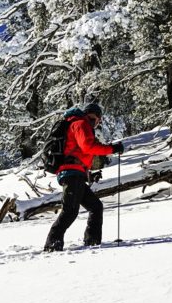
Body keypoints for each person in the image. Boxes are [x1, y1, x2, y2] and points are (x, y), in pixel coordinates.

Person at [44, 103, 124, 252]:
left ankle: (92, 241)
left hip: (75, 173)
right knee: (70, 210)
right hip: (71, 172)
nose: (96, 123)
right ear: (88, 114)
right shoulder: (80, 123)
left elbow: (80, 151)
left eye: (98, 121)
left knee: (95, 207)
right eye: (94, 118)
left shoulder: (79, 124)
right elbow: (87, 146)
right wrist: (112, 148)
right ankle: (52, 244)